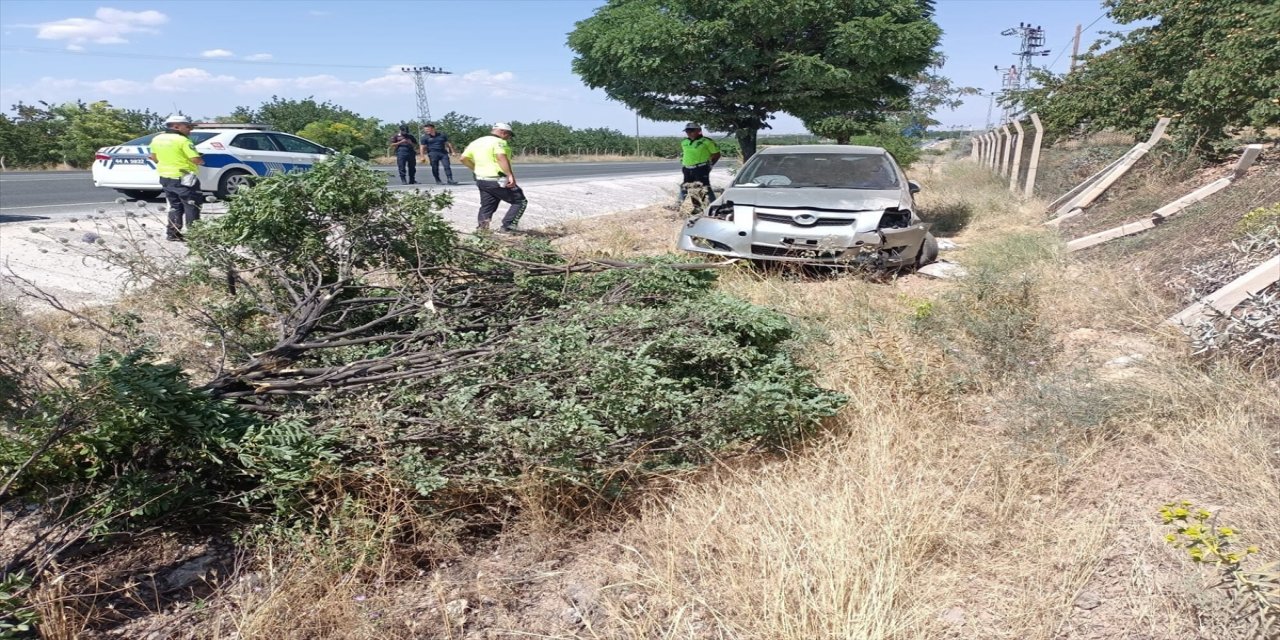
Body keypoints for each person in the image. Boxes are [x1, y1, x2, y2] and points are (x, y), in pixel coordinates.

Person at [460, 123, 527, 233]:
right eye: (509, 135)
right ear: (503, 132)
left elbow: (463, 158)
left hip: (481, 179)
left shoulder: (476, 142)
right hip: (497, 179)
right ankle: (508, 227)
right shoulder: (499, 142)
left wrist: (475, 169)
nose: (509, 138)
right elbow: (500, 157)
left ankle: (482, 230)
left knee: (487, 205)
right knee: (519, 201)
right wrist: (510, 175)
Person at [148, 114, 204, 242]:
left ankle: (173, 233)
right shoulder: (183, 141)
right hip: (184, 177)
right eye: (188, 126)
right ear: (176, 126)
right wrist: (201, 161)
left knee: (175, 206)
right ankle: (196, 235)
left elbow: (154, 158)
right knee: (192, 206)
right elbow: (196, 159)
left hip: (166, 177)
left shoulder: (157, 139)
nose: (190, 129)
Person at [678, 122, 721, 209]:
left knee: (704, 188)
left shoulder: (707, 142)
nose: (689, 133)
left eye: (691, 131)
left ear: (698, 131)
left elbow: (716, 154)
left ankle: (714, 207)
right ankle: (696, 208)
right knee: (687, 187)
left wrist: (710, 165)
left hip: (701, 168)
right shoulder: (684, 142)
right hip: (687, 168)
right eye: (687, 131)